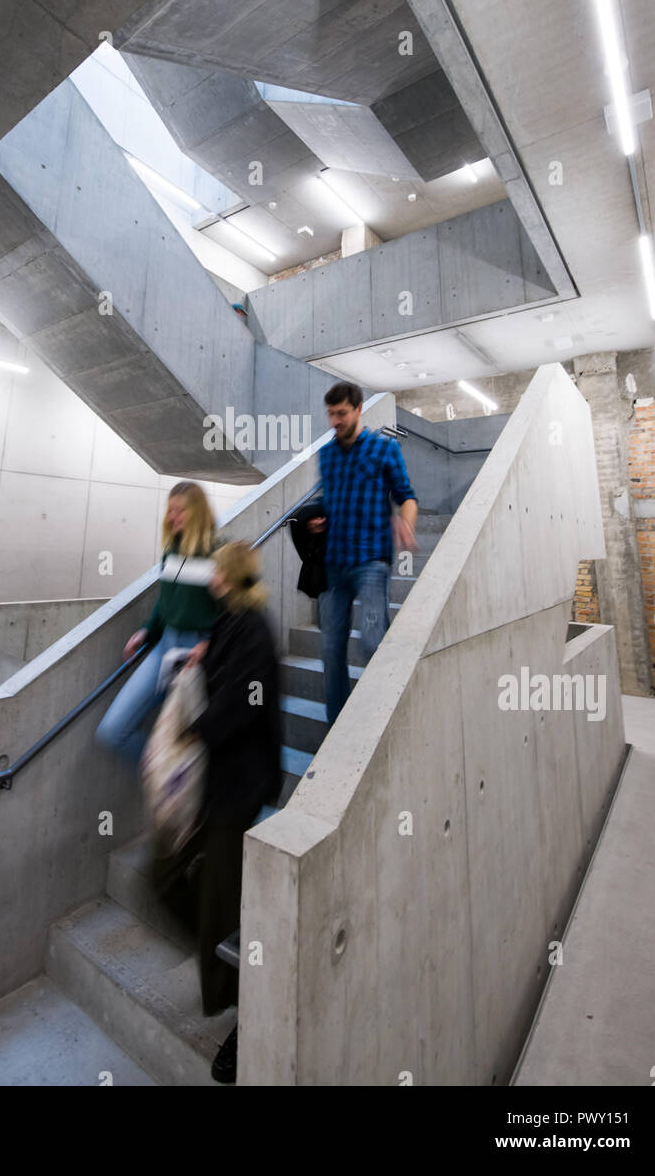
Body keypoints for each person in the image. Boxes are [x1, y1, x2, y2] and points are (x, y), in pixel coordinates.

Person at [151, 540, 282, 1085]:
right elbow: (221, 663)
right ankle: (226, 969)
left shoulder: (253, 627)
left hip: (239, 783)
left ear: (230, 577)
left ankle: (253, 1013)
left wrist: (190, 730)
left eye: (216, 574)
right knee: (167, 880)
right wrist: (198, 655)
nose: (209, 581)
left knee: (220, 904)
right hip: (217, 781)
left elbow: (245, 702)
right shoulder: (232, 621)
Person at [308, 382, 418, 725]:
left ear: (358, 410)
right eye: (330, 414)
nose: (334, 421)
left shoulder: (384, 449)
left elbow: (407, 496)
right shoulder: (326, 455)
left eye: (341, 414)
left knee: (372, 642)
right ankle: (338, 726)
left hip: (371, 561)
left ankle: (380, 720)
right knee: (330, 650)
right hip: (334, 564)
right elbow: (327, 498)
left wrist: (406, 521)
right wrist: (318, 517)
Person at [95, 482, 223, 767]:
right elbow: (166, 600)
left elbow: (234, 612)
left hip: (197, 655)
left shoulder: (217, 552)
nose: (172, 517)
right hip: (165, 644)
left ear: (198, 513)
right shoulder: (172, 551)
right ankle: (170, 773)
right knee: (112, 731)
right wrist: (146, 630)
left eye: (181, 511)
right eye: (170, 511)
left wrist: (209, 643)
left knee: (199, 738)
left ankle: (195, 782)